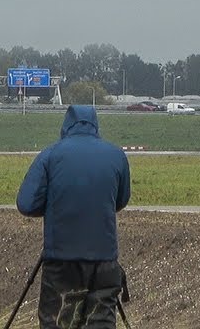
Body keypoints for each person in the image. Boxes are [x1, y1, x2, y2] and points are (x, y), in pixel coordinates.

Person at [16, 104, 132, 328]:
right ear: (95, 125)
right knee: (101, 322)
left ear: (66, 125)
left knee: (60, 321)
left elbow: (26, 203)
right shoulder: (116, 155)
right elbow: (121, 200)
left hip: (62, 260)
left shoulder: (51, 155)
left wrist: (54, 207)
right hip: (105, 261)